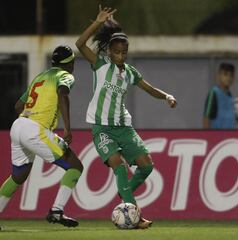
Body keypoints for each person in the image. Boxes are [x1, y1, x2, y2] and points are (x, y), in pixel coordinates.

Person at [75, 6, 177, 229]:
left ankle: (124, 194)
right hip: (102, 128)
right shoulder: (100, 65)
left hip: (124, 127)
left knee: (147, 166)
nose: (120, 56)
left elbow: (149, 89)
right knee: (119, 166)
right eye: (117, 52)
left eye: (124, 53)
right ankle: (134, 214)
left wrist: (167, 96)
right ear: (110, 51)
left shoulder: (129, 72)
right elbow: (79, 44)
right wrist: (98, 23)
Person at [0, 45, 83, 230]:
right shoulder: (65, 76)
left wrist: (29, 120)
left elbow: (18, 106)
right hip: (36, 129)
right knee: (75, 166)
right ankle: (57, 210)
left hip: (18, 126)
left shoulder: (40, 77)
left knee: (19, 175)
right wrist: (67, 128)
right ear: (70, 63)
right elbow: (63, 94)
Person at [203, 63, 235, 129]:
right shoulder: (214, 93)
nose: (228, 78)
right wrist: (208, 136)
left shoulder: (230, 97)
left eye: (231, 75)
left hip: (230, 137)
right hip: (217, 137)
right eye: (225, 74)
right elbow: (206, 117)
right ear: (219, 76)